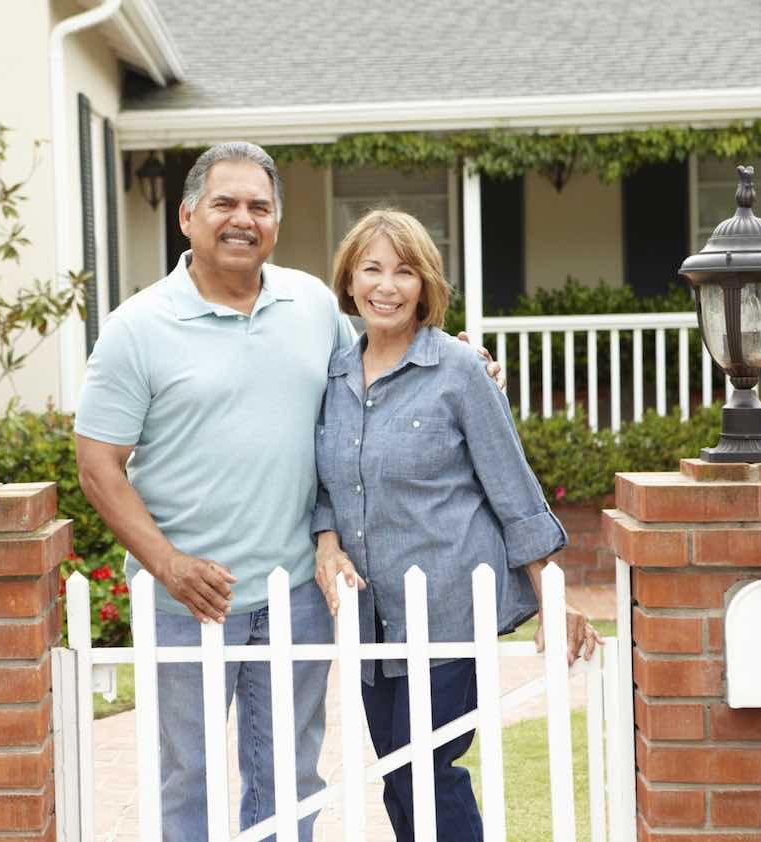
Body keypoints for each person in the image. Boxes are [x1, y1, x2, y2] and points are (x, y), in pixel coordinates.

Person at [74, 141, 500, 840]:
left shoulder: (309, 304)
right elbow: (98, 466)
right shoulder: (136, 328)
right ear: (187, 216)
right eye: (225, 203)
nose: (242, 219)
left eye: (259, 206)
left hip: (296, 593)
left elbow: (381, 363)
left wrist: (459, 359)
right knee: (190, 780)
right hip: (188, 600)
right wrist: (168, 566)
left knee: (289, 780)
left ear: (274, 220)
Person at [311, 208, 602, 841]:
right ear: (350, 280)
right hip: (372, 616)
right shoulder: (332, 376)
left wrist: (553, 595)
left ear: (426, 286)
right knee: (396, 773)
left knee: (426, 769)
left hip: (445, 606)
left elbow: (512, 489)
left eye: (405, 271)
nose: (387, 286)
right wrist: (326, 541)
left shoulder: (460, 371)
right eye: (373, 269)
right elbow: (325, 482)